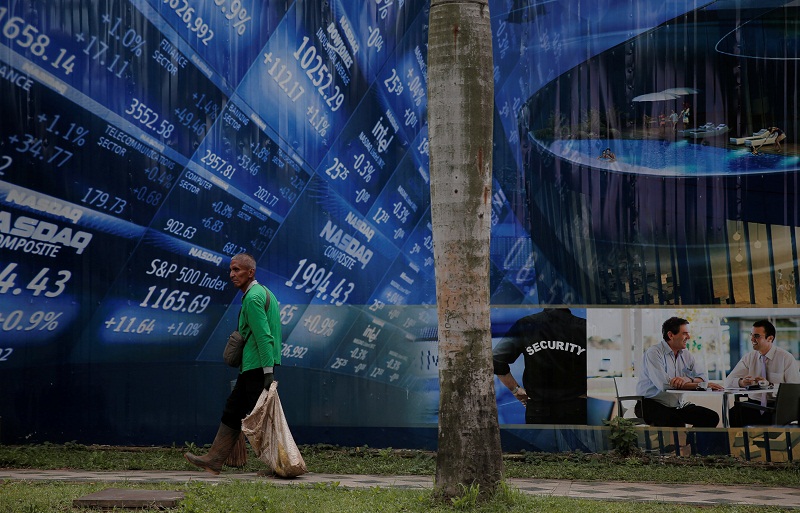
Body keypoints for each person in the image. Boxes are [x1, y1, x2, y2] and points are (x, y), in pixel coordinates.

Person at [184, 252, 282, 474]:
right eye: (231, 270)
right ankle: (214, 459)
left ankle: (280, 464)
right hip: (252, 366)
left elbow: (264, 336)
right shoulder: (263, 293)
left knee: (262, 418)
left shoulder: (254, 298)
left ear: (251, 272)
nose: (232, 274)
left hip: (258, 367)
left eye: (237, 270)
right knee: (233, 410)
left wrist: (268, 372)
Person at [493, 308, 587, 424]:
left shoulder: (526, 324)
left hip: (539, 411)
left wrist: (516, 390)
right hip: (575, 409)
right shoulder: (584, 327)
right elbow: (604, 367)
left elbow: (496, 360)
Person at [634, 317, 723, 427]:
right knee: (676, 422)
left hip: (677, 405)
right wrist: (698, 384)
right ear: (671, 335)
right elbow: (664, 385)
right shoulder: (654, 353)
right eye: (685, 333)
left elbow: (703, 378)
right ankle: (678, 444)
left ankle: (692, 443)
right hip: (649, 404)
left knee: (711, 417)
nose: (689, 337)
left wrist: (687, 379)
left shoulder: (686, 355)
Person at [724, 320, 800, 427]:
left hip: (777, 406)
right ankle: (743, 443)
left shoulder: (786, 358)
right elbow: (728, 382)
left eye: (756, 336)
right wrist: (742, 382)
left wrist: (770, 385)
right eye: (751, 335)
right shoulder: (749, 357)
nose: (751, 339)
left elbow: (794, 388)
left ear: (770, 338)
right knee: (734, 413)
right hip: (754, 404)